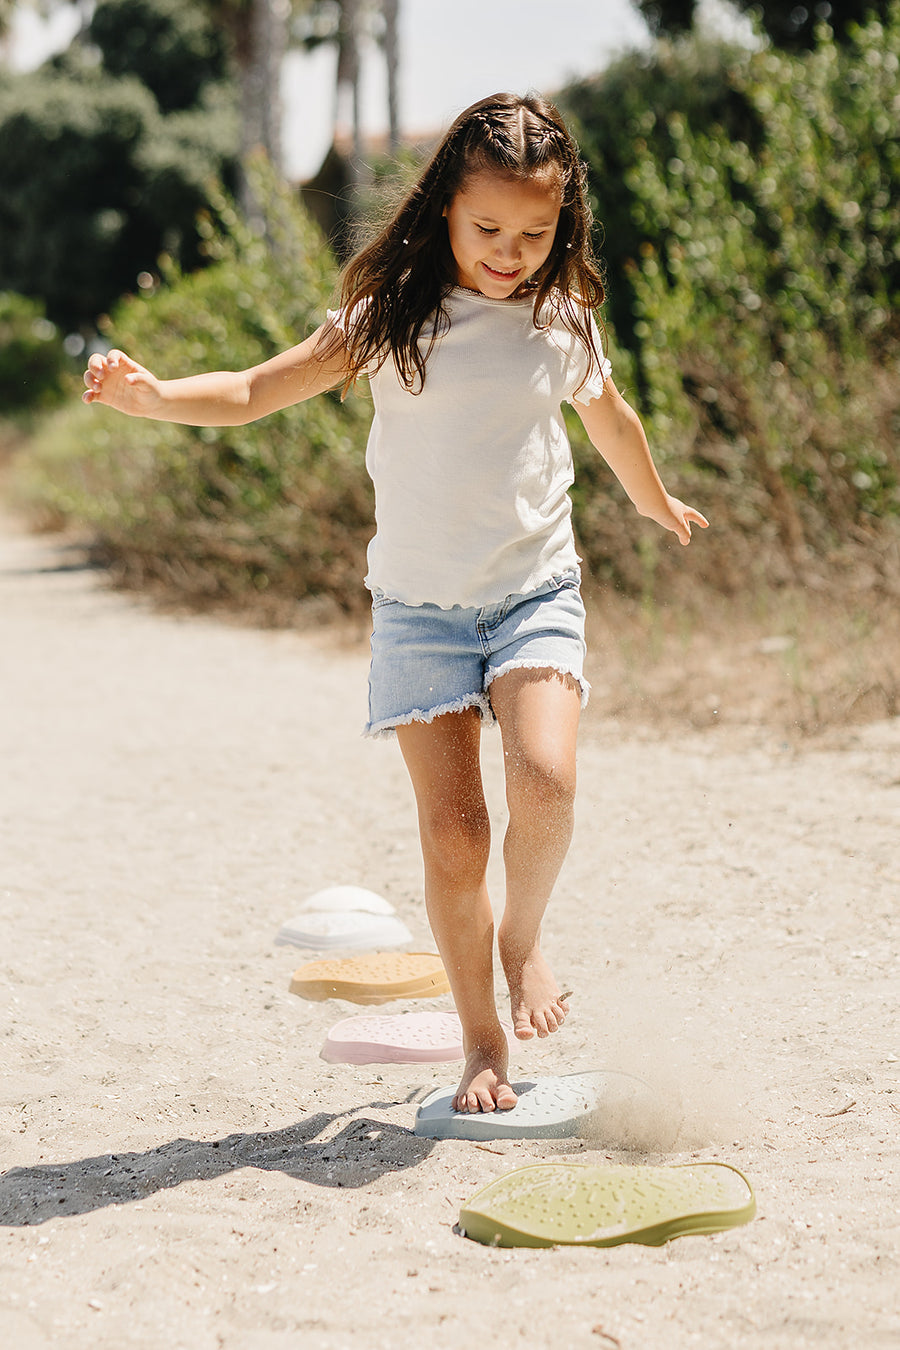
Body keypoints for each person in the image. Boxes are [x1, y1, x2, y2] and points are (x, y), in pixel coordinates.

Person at [83, 92, 708, 1115]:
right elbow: (250, 391)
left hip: (532, 588)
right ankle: (481, 1042)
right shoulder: (391, 319)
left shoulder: (560, 320)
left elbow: (612, 416)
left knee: (546, 781)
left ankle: (524, 937)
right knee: (457, 834)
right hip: (420, 609)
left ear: (565, 224)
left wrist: (653, 499)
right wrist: (153, 398)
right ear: (444, 211)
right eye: (489, 229)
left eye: (535, 233)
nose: (511, 252)